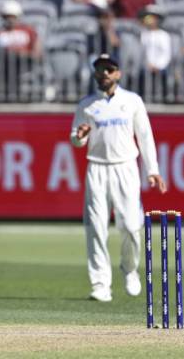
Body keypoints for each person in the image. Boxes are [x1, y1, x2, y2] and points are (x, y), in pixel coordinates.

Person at [70, 53, 166, 303]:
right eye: (100, 69)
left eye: (109, 69)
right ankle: (101, 283)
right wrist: (79, 136)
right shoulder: (87, 104)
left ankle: (130, 269)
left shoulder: (132, 101)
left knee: (132, 227)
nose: (104, 73)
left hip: (126, 168)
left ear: (118, 73)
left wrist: (153, 170)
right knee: (96, 228)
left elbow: (145, 136)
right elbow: (76, 140)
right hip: (97, 169)